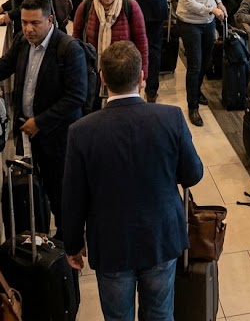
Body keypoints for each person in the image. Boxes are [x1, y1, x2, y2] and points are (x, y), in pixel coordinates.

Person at [64, 41, 203, 321]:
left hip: (111, 244)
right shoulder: (171, 117)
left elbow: (73, 196)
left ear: (102, 78)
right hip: (161, 237)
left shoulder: (81, 131)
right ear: (141, 77)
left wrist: (73, 244)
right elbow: (193, 174)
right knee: (160, 315)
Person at [0, 0, 87, 237]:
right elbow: (4, 65)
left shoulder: (69, 50)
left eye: (35, 23)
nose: (28, 29)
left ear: (50, 20)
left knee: (61, 191)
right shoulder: (22, 41)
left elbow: (76, 97)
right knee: (40, 185)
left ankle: (67, 239)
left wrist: (40, 122)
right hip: (30, 133)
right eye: (24, 22)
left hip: (58, 137)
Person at [177, 0, 226, 126]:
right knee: (195, 65)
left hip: (208, 20)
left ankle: (196, 91)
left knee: (206, 62)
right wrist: (211, 9)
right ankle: (193, 106)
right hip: (190, 22)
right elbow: (188, 2)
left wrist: (219, 3)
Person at [73, 0, 148, 80]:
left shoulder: (130, 6)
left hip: (122, 71)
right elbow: (76, 40)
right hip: (92, 71)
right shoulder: (86, 7)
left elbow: (141, 43)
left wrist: (142, 75)